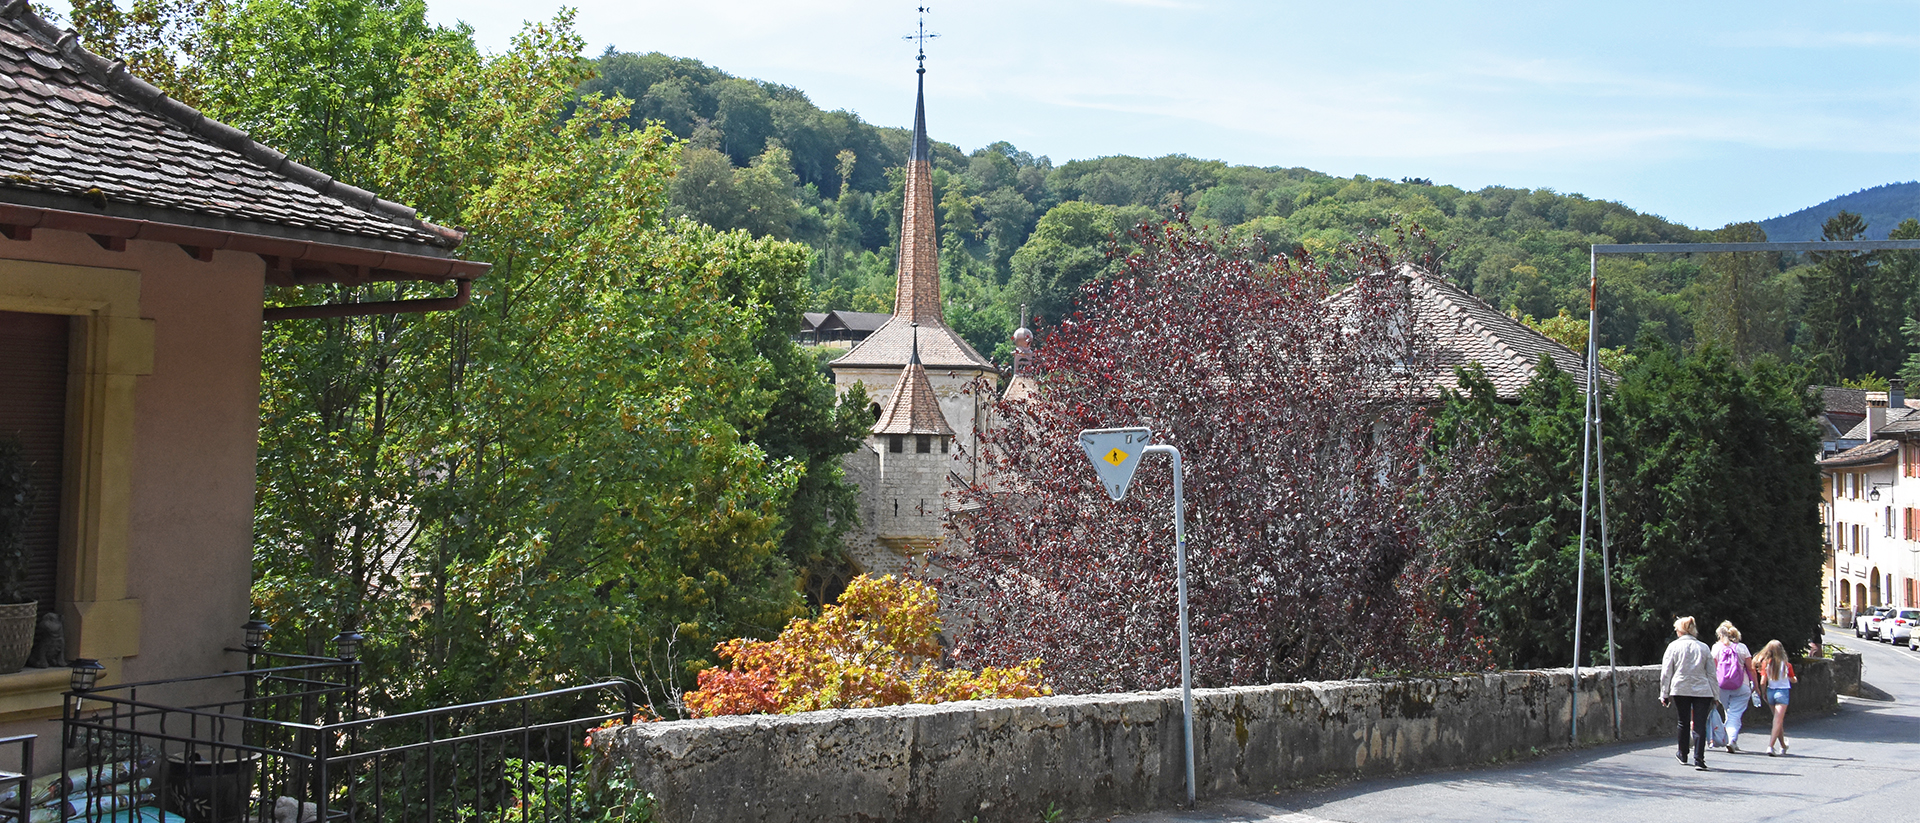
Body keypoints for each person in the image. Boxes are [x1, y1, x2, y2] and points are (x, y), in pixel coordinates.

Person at [1659, 615, 1716, 770]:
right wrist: (1715, 695)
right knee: (1699, 724)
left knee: (1683, 722)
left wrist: (1664, 693)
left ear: (1681, 631)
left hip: (1681, 687)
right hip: (1702, 689)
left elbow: (1666, 672)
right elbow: (1711, 673)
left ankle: (1682, 754)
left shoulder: (1673, 647)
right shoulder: (1704, 647)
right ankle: (1699, 758)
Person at [1708, 621, 1755, 753]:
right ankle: (1731, 739)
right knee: (1734, 714)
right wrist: (1755, 685)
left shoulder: (1716, 648)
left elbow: (1712, 668)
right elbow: (1751, 669)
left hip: (1721, 686)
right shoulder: (1742, 648)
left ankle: (1730, 738)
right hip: (1742, 686)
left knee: (1730, 712)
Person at [1754, 639, 1798, 756]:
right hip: (1782, 692)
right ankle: (1770, 746)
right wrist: (1789, 678)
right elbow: (1793, 680)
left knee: (1777, 721)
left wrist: (1763, 693)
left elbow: (1763, 681)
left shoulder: (1766, 664)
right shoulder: (1787, 665)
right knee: (1777, 721)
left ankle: (1783, 745)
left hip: (1771, 691)